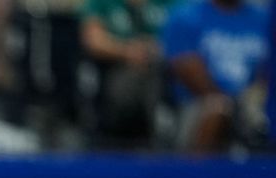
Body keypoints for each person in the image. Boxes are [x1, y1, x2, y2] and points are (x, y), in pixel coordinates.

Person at [161, 0, 269, 152]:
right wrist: (231, 104)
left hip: (251, 99)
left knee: (258, 107)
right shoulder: (186, 16)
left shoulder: (264, 18)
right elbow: (186, 67)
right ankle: (195, 173)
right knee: (217, 108)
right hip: (197, 101)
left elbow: (267, 69)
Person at [80, 0, 174, 148]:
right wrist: (128, 51)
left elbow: (187, 37)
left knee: (154, 73)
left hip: (165, 70)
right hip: (116, 72)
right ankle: (154, 129)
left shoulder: (173, 3)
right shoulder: (101, 3)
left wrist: (155, 49)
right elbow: (94, 41)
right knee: (136, 76)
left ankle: (159, 129)